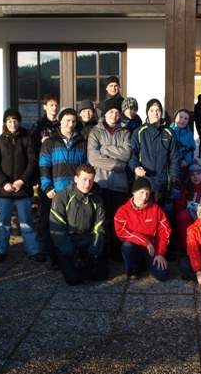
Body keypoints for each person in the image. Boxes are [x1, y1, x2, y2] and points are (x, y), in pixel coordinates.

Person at [0, 109, 42, 263]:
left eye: (15, 120)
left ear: (19, 122)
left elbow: (33, 162)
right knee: (3, 223)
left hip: (23, 188)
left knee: (26, 222)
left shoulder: (27, 139)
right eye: (9, 121)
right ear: (5, 123)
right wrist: (4, 182)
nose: (13, 124)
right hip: (4, 190)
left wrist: (23, 180)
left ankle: (33, 250)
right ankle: (1, 250)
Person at [39, 107, 88, 263]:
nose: (70, 124)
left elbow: (86, 166)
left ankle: (72, 257)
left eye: (73, 121)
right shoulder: (50, 142)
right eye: (67, 121)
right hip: (56, 191)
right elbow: (44, 167)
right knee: (56, 226)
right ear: (60, 121)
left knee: (73, 224)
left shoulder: (82, 142)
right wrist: (47, 187)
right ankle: (55, 259)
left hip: (75, 191)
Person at [87, 96, 132, 262]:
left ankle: (116, 250)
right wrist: (118, 166)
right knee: (101, 220)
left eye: (117, 112)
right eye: (111, 112)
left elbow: (127, 154)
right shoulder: (95, 131)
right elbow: (93, 158)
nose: (114, 115)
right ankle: (101, 251)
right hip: (101, 183)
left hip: (119, 186)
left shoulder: (125, 132)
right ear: (105, 114)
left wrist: (104, 149)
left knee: (118, 220)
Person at [50, 164, 108, 285]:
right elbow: (57, 230)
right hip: (68, 241)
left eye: (91, 180)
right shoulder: (61, 197)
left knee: (100, 275)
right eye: (84, 179)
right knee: (74, 280)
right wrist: (72, 254)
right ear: (76, 179)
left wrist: (94, 251)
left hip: (87, 239)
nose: (87, 184)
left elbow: (99, 227)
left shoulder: (97, 199)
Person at [114, 177, 171, 281]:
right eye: (141, 192)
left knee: (163, 276)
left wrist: (160, 253)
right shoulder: (122, 211)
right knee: (127, 246)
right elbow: (122, 233)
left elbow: (165, 232)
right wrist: (145, 241)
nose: (145, 196)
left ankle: (145, 263)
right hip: (135, 247)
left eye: (147, 193)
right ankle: (133, 270)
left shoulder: (156, 209)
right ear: (134, 192)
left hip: (152, 249)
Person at [129, 99, 180, 210]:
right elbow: (133, 155)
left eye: (158, 110)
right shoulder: (139, 132)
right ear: (147, 113)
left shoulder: (169, 133)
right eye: (151, 110)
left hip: (163, 184)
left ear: (161, 113)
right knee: (144, 215)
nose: (155, 113)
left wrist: (174, 180)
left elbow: (174, 158)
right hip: (144, 183)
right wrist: (135, 168)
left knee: (162, 216)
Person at [30, 94, 60, 255]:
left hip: (61, 171)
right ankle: (46, 245)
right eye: (51, 105)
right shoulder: (38, 126)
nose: (54, 108)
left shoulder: (62, 124)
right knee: (46, 212)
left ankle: (61, 245)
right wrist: (41, 144)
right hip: (44, 174)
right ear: (45, 107)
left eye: (56, 105)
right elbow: (31, 151)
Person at [174, 162, 201, 251]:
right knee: (182, 215)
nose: (195, 177)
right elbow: (179, 206)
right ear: (189, 176)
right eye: (192, 174)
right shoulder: (185, 188)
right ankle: (184, 246)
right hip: (189, 215)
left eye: (198, 174)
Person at [170, 108, 197, 177]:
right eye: (180, 117)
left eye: (186, 119)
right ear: (175, 118)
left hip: (183, 164)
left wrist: (187, 161)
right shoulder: (169, 132)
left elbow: (191, 149)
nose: (182, 120)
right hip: (170, 164)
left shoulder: (189, 134)